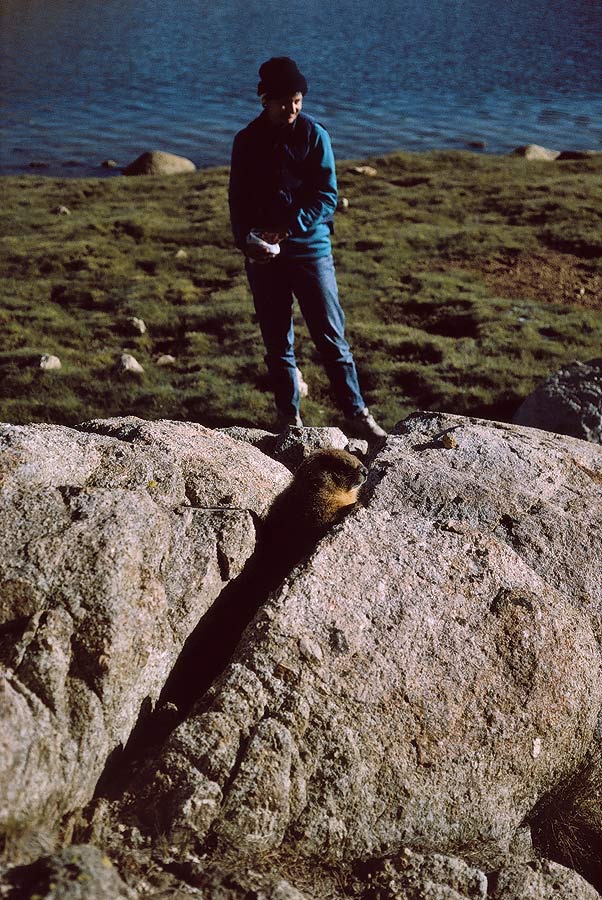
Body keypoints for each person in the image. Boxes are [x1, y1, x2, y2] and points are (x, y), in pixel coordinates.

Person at [228, 56, 386, 440]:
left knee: (331, 337)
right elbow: (238, 200)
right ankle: (289, 420)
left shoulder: (316, 136)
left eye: (297, 100)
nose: (292, 108)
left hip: (311, 249)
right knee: (277, 341)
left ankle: (357, 413)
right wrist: (246, 241)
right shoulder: (246, 141)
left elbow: (326, 195)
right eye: (284, 101)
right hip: (264, 256)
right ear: (264, 100)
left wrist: (287, 227)